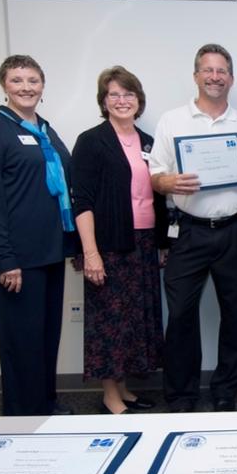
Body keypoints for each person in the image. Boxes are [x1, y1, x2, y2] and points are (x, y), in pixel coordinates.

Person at [149, 44, 237, 413]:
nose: (215, 76)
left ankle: (225, 389)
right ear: (196, 75)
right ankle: (182, 394)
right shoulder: (172, 121)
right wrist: (169, 183)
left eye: (222, 71)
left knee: (235, 314)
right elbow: (154, 176)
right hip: (188, 231)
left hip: (234, 229)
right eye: (208, 70)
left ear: (231, 78)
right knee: (182, 314)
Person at [0, 55, 77, 416]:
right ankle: (22, 416)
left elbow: (63, 190)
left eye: (32, 80)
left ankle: (45, 404)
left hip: (51, 250)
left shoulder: (44, 129)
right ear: (4, 85)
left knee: (46, 338)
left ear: (42, 86)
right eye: (17, 80)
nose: (26, 87)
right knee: (21, 342)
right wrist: (4, 258)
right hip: (19, 257)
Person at [72, 66, 168, 414]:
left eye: (129, 94)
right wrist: (91, 253)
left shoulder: (148, 142)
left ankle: (124, 389)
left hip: (142, 244)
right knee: (109, 322)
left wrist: (162, 243)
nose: (122, 100)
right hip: (109, 245)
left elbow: (158, 196)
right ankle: (109, 396)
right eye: (114, 94)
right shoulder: (91, 141)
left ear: (139, 101)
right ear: (104, 101)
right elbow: (81, 201)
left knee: (133, 320)